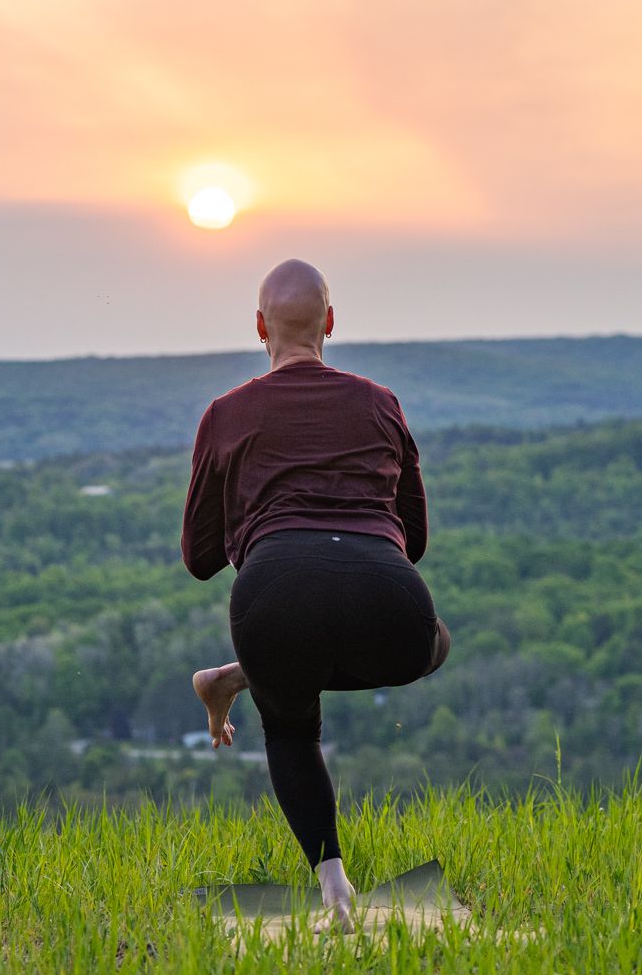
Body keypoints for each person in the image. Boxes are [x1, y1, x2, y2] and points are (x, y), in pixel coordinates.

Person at [181, 259, 451, 930]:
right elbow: (413, 540)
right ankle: (246, 674)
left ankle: (335, 890)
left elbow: (199, 558)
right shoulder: (380, 402)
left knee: (290, 718)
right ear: (330, 322)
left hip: (273, 597)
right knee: (432, 642)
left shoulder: (225, 414)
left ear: (259, 327)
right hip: (391, 599)